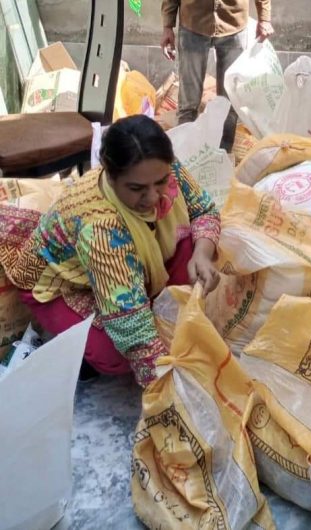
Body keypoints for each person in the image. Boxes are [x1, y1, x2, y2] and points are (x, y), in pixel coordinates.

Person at [0, 115, 220, 387]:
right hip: (65, 286)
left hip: (125, 265)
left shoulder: (162, 167)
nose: (153, 197)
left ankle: (144, 298)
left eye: (160, 183)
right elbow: (133, 329)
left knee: (198, 249)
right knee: (117, 355)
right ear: (110, 176)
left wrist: (202, 254)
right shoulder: (101, 228)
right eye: (137, 189)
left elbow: (204, 210)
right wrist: (167, 389)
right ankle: (80, 350)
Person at [160, 0, 274, 151]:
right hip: (193, 22)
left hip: (234, 23)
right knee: (188, 102)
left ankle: (223, 154)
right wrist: (167, 26)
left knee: (229, 102)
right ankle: (186, 155)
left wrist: (264, 18)